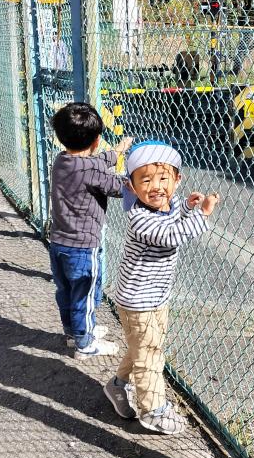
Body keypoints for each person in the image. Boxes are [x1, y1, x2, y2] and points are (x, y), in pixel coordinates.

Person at [103, 140, 219, 435]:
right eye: (146, 180)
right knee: (150, 353)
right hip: (137, 300)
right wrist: (201, 214)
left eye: (164, 179)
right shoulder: (139, 218)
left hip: (157, 296)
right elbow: (171, 235)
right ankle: (153, 410)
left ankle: (118, 386)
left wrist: (188, 206)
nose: (156, 187)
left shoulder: (167, 204)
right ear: (131, 185)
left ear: (177, 180)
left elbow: (172, 212)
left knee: (144, 347)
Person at [50, 101, 132, 359]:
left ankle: (74, 331)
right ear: (97, 141)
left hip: (58, 244)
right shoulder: (92, 171)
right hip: (83, 247)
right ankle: (85, 344)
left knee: (66, 292)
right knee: (84, 296)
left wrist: (117, 152)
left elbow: (95, 163)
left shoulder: (61, 161)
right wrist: (142, 179)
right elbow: (118, 186)